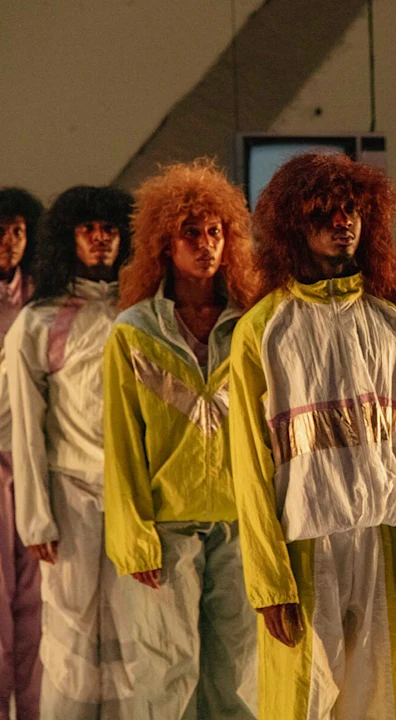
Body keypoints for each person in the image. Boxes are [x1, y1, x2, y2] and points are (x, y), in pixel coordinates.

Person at [229, 152, 396, 720]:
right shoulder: (262, 330)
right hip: (305, 550)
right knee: (302, 705)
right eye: (324, 213)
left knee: (382, 704)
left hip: (383, 542)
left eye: (352, 210)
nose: (342, 223)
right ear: (292, 225)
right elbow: (249, 467)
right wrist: (269, 583)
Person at [102, 160, 260, 718]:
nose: (205, 244)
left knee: (236, 676)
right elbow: (120, 445)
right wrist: (133, 537)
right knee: (168, 676)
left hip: (240, 525)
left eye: (215, 231)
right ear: (164, 244)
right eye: (191, 232)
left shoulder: (251, 326)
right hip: (167, 529)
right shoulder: (134, 333)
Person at [6, 185, 132, 718]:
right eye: (88, 229)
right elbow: (25, 427)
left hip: (133, 499)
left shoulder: (144, 315)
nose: (100, 238)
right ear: (67, 238)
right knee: (70, 635)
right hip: (69, 494)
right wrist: (36, 518)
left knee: (133, 636)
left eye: (110, 229)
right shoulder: (38, 321)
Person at [0, 187, 43, 720]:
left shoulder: (40, 298)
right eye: (0, 230)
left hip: (33, 461)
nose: (9, 241)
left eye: (18, 230)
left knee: (36, 603)